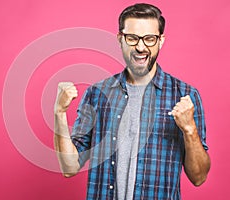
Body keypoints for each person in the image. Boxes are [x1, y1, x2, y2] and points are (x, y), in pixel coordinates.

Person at [54, 3, 210, 200]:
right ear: (120, 39)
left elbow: (199, 177)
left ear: (161, 41)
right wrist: (59, 113)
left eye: (150, 39)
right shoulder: (97, 94)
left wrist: (189, 130)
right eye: (132, 38)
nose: (141, 46)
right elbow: (70, 167)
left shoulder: (185, 96)